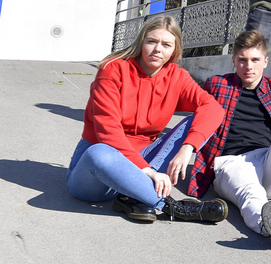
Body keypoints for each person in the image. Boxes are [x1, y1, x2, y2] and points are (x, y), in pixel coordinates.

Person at [66, 15, 228, 224]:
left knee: (197, 122)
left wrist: (188, 148)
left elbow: (213, 108)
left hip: (145, 159)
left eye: (166, 44)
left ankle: (134, 196)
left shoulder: (176, 76)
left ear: (174, 50)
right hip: (99, 173)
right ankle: (170, 206)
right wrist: (147, 170)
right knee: (99, 152)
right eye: (152, 41)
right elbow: (107, 131)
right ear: (141, 42)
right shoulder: (113, 69)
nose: (158, 49)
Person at [189, 30, 271, 251]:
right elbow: (195, 121)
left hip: (269, 162)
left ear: (265, 61)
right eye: (243, 60)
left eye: (255, 60)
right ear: (234, 61)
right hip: (232, 163)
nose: (249, 66)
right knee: (252, 194)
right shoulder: (217, 85)